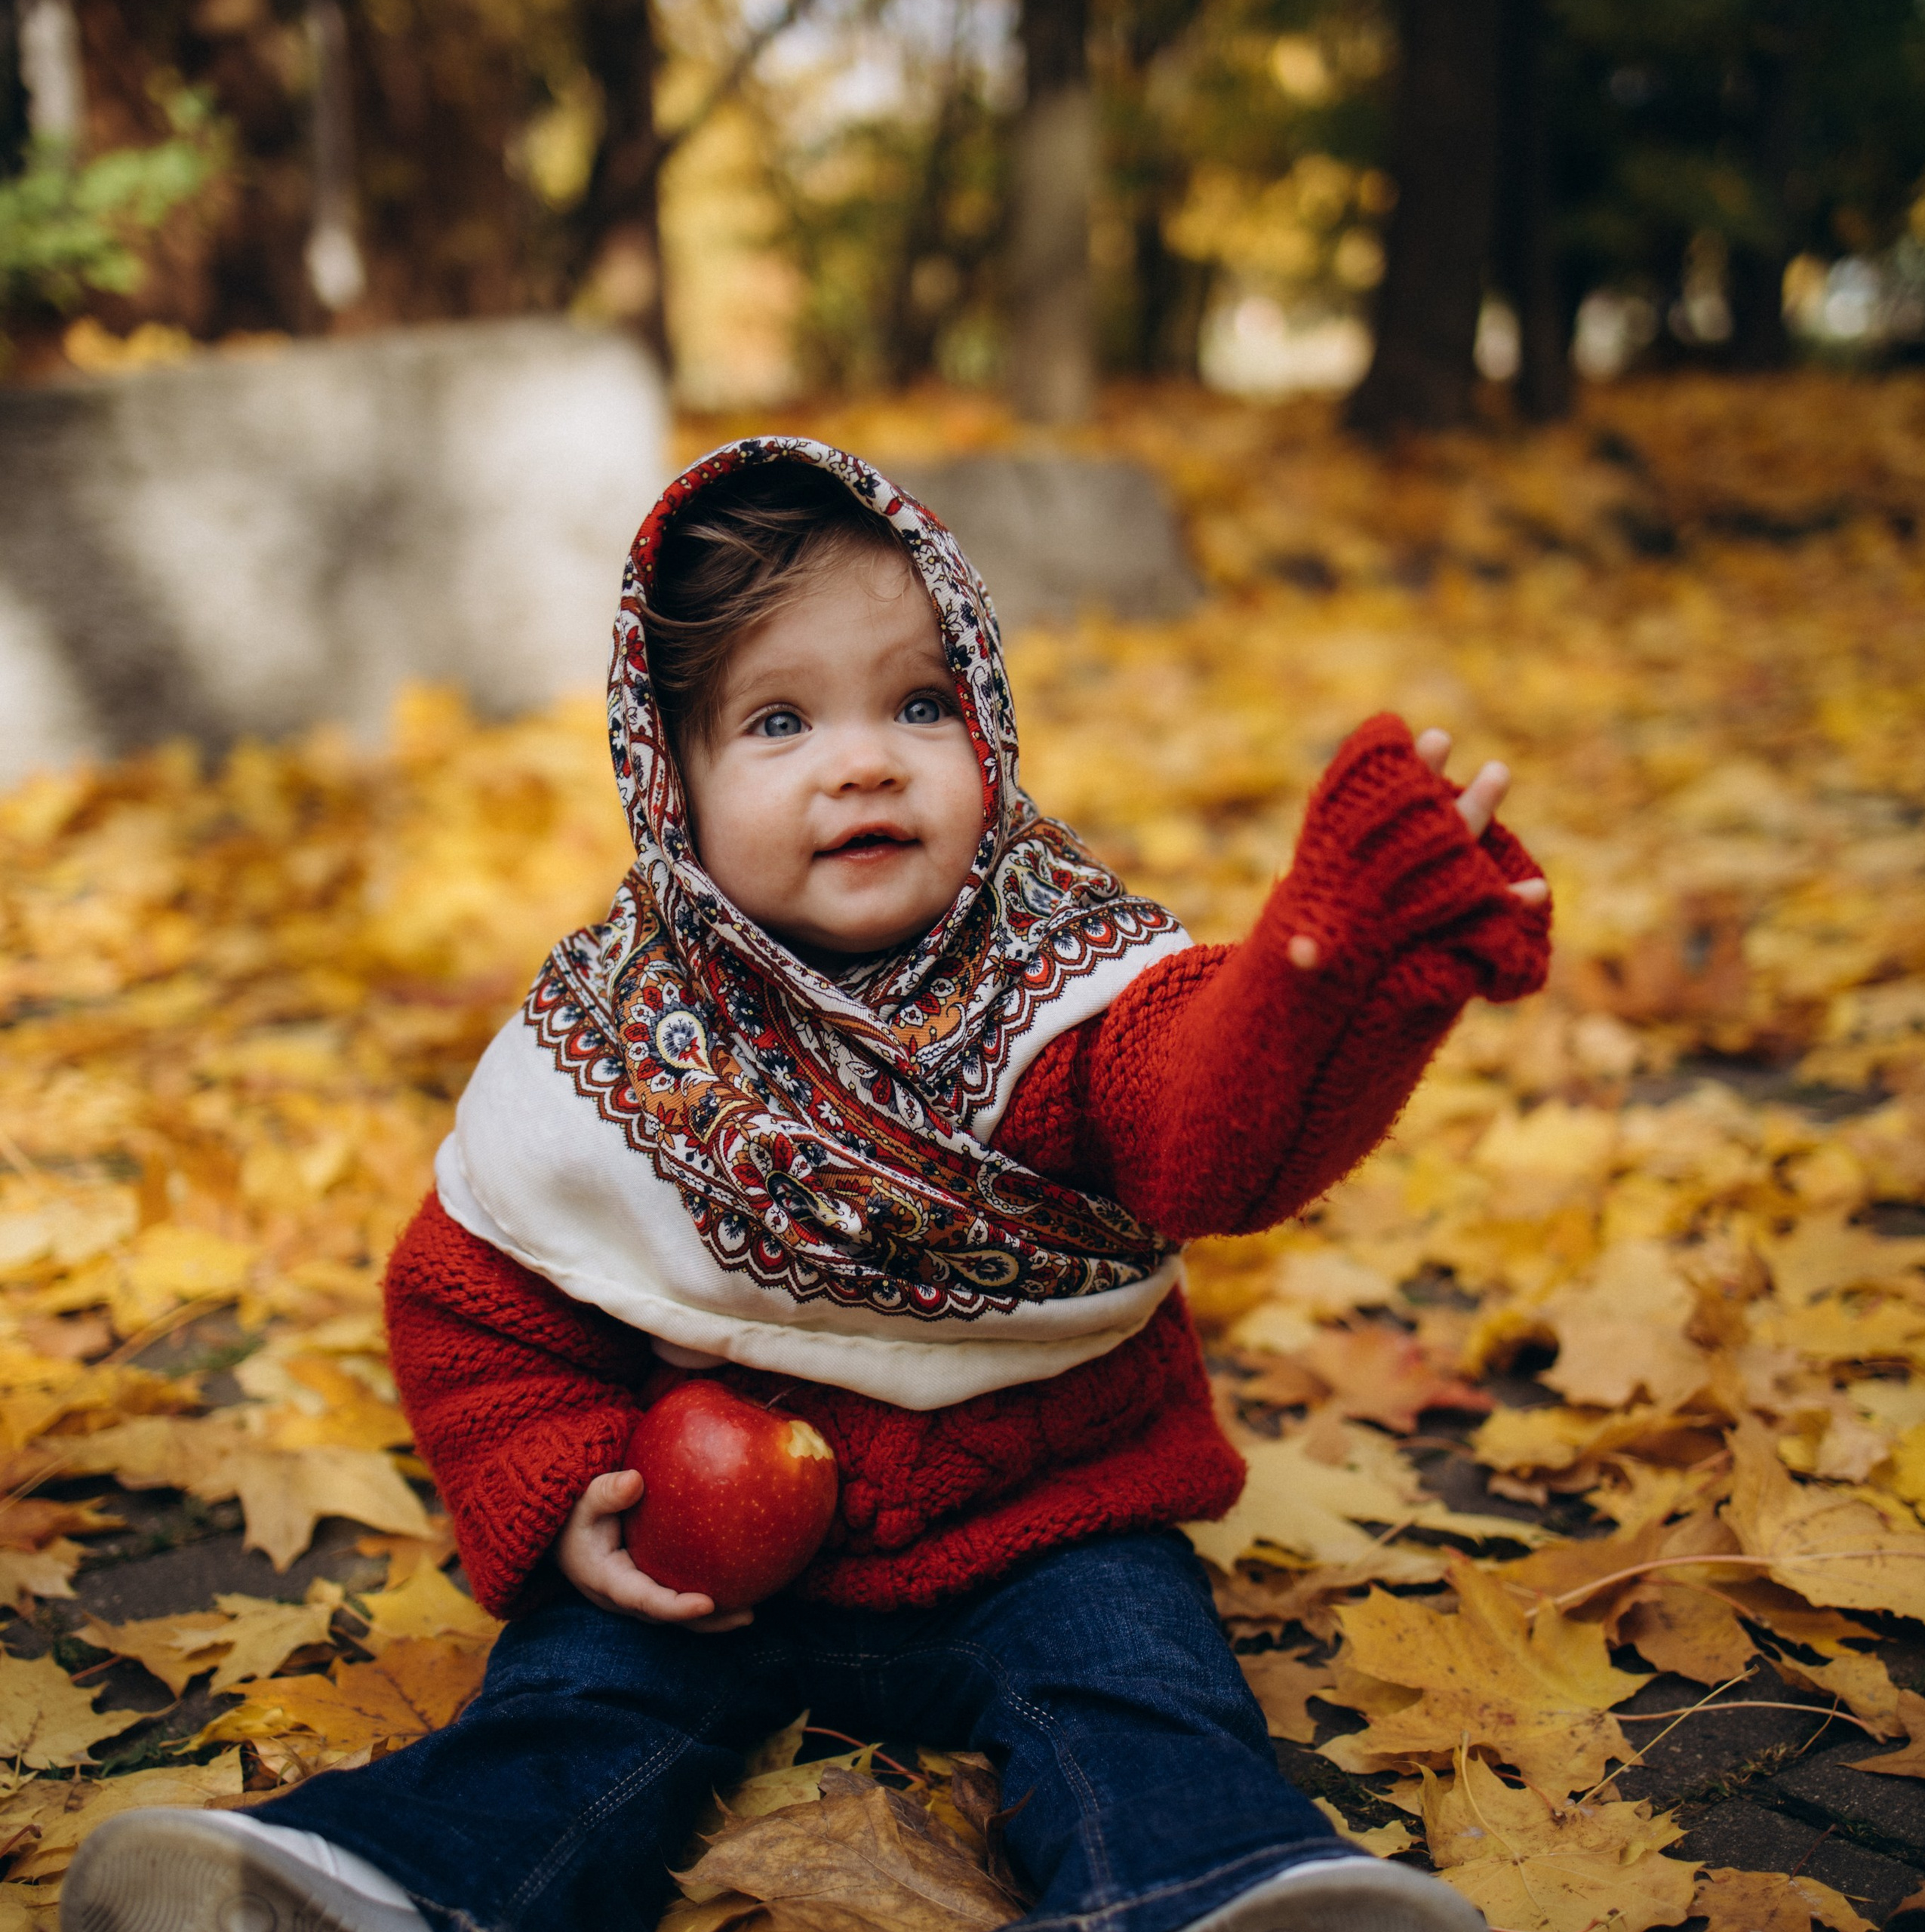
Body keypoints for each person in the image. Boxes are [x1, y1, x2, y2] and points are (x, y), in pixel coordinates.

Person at [66, 439, 1551, 1932]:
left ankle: (1212, 1887)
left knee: (1143, 1692)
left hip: (1046, 1519)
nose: (865, 760)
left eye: (920, 703)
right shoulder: (608, 1046)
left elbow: (1210, 1136)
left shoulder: (1067, 980)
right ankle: (390, 1879)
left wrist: (1332, 966)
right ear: (672, 783)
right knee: (571, 1707)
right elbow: (478, 1309)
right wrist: (564, 1489)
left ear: (989, 719)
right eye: (779, 721)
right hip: (703, 1562)